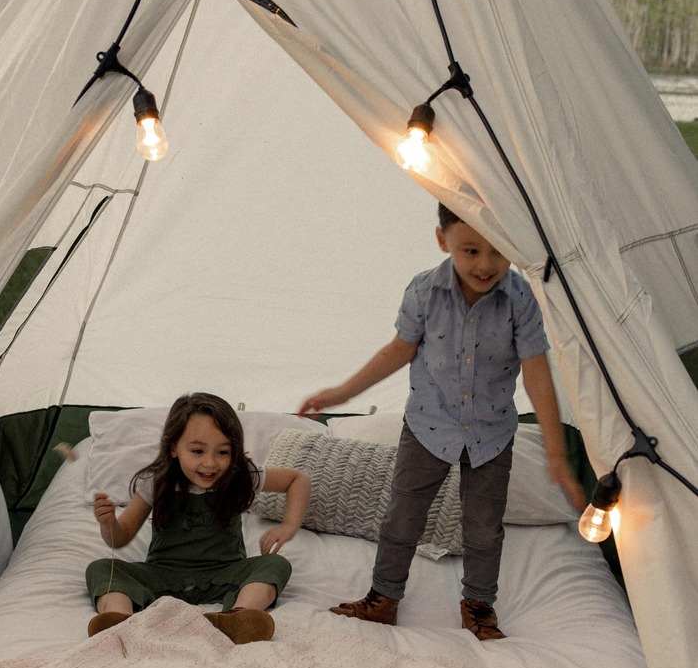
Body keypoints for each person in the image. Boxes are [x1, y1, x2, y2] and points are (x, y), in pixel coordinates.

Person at [298, 204, 585, 641]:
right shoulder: (424, 292)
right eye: (470, 251)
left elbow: (537, 371)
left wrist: (556, 452)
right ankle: (384, 598)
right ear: (442, 240)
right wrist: (341, 393)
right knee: (402, 518)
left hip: (491, 433)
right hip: (428, 427)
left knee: (484, 529)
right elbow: (397, 350)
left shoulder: (520, 298)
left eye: (497, 251)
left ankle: (479, 606)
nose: (485, 265)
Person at [86, 393, 310, 644]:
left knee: (276, 565)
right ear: (173, 448)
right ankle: (119, 622)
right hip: (164, 576)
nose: (210, 463)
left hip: (225, 574)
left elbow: (296, 480)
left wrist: (289, 525)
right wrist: (108, 523)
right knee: (101, 569)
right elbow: (121, 536)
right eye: (197, 451)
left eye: (223, 452)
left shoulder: (241, 476)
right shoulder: (156, 482)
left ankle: (239, 617)